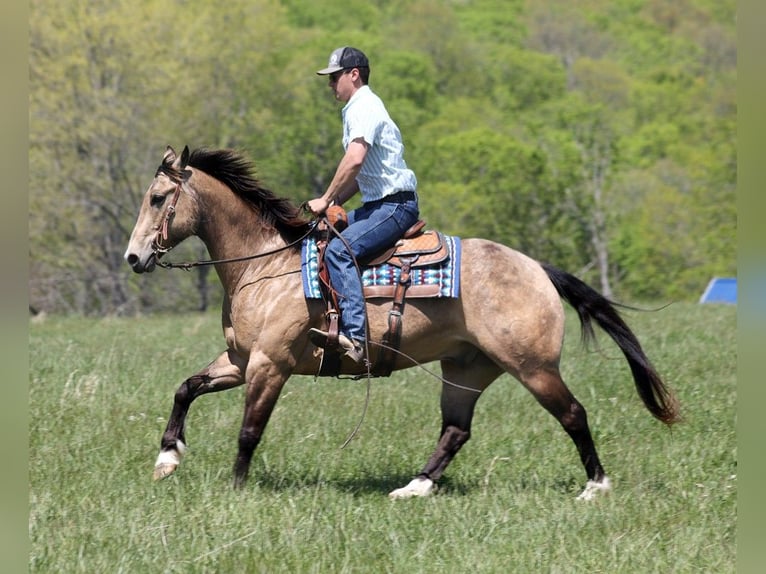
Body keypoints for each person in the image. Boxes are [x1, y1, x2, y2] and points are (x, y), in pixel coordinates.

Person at [307, 46, 420, 364]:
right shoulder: (360, 107)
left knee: (339, 250)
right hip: (379, 205)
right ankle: (331, 321)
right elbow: (364, 173)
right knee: (322, 234)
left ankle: (355, 338)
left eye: (334, 78)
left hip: (394, 207)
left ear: (353, 74)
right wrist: (335, 204)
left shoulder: (363, 107)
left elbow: (354, 161)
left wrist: (326, 199)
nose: (330, 85)